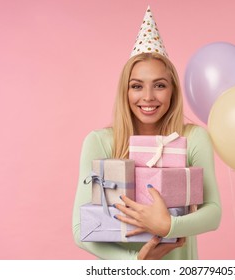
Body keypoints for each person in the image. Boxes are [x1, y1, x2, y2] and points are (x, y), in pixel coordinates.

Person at [72, 6, 221, 260]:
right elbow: (80, 229)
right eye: (137, 86)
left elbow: (213, 212)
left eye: (159, 85)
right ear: (125, 92)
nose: (148, 97)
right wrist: (135, 263)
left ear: (172, 89)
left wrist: (168, 226)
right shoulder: (101, 142)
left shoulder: (193, 139)